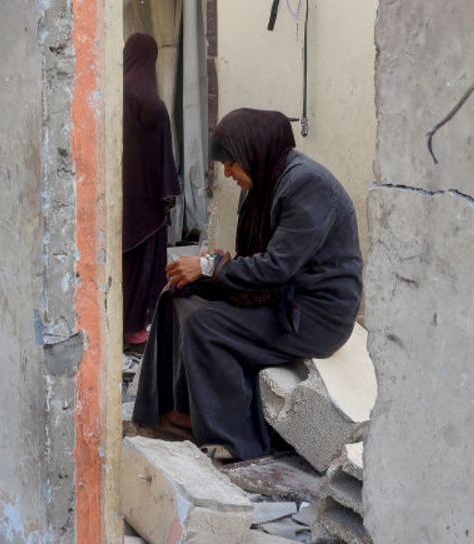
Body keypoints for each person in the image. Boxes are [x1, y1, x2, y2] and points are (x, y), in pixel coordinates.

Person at [131, 108, 362, 462]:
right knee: (177, 294)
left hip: (313, 316)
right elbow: (252, 258)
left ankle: (233, 440)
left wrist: (210, 266)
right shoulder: (262, 182)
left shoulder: (307, 185)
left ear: (254, 152)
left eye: (232, 163)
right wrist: (214, 267)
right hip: (280, 297)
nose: (228, 173)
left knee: (207, 325)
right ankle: (173, 409)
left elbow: (275, 267)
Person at [122, 33, 180, 347]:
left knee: (128, 261)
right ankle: (135, 327)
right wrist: (166, 188)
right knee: (145, 260)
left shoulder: (121, 88)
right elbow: (158, 150)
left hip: (125, 192)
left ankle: (124, 322)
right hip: (146, 196)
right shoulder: (146, 95)